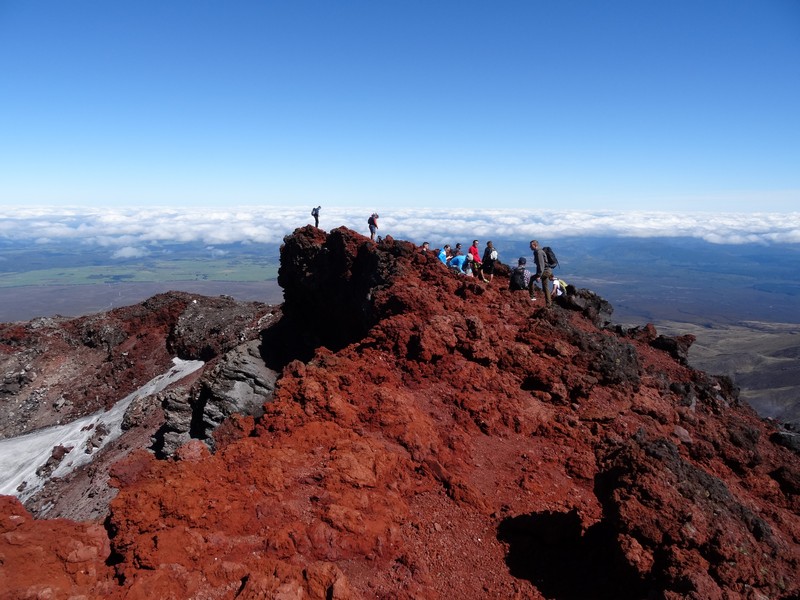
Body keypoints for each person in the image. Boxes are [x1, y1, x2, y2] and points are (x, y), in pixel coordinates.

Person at [530, 240, 553, 307]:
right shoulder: (538, 251)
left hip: (545, 271)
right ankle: (548, 304)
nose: (530, 247)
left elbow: (541, 265)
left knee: (531, 279)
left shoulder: (539, 252)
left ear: (535, 245)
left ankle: (532, 296)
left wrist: (539, 276)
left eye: (531, 246)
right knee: (545, 287)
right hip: (547, 271)